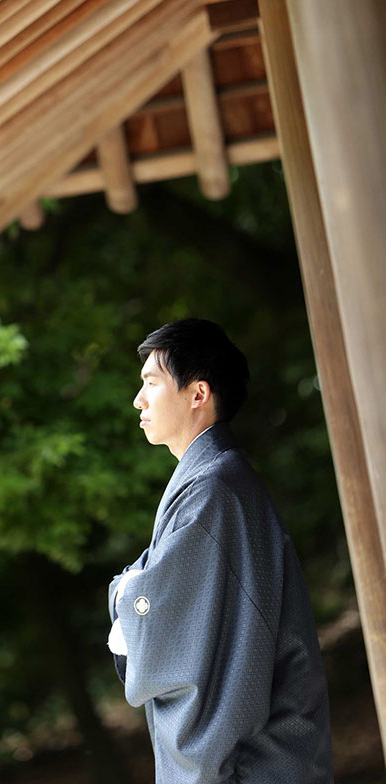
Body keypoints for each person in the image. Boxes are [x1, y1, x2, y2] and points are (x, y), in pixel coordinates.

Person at [107, 318, 333, 783]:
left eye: (152, 382)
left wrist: (127, 592)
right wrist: (135, 588)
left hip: (253, 767)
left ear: (198, 394)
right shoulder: (215, 481)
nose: (138, 399)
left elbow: (147, 607)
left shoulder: (214, 490)